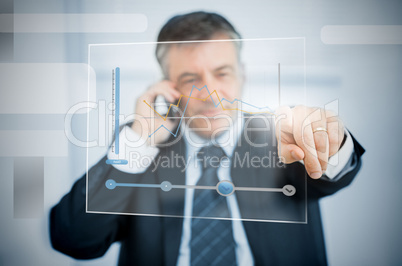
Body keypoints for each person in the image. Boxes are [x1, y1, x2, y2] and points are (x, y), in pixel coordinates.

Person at [50, 11, 365, 266]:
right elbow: (74, 239)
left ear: (243, 74)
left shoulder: (281, 137)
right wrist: (138, 142)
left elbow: (331, 172)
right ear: (167, 88)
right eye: (190, 78)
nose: (211, 94)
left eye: (223, 73)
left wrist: (326, 140)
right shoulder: (140, 149)